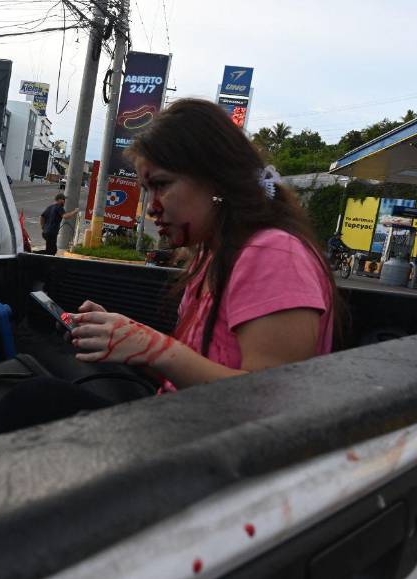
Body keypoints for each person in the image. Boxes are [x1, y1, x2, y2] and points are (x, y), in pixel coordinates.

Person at [68, 98, 338, 391]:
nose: (151, 208)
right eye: (148, 190)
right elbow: (194, 364)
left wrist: (153, 348)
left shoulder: (274, 255)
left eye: (162, 184)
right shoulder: (211, 252)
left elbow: (270, 396)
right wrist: (126, 338)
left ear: (217, 181)